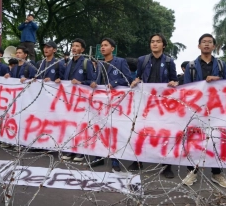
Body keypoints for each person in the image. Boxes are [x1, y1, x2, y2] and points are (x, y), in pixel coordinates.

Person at [183, 33, 226, 188]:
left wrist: (219, 80)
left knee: (216, 140)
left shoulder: (221, 65)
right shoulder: (191, 66)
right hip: (197, 109)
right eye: (203, 42)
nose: (206, 44)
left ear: (214, 46)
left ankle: (217, 173)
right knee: (195, 140)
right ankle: (193, 171)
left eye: (209, 42)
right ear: (199, 46)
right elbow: (186, 88)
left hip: (217, 109)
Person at [130, 33, 178, 179]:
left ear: (163, 45)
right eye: (152, 41)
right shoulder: (142, 60)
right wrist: (135, 81)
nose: (154, 44)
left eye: (158, 42)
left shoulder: (169, 61)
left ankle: (166, 166)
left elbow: (174, 80)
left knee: (164, 133)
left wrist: (173, 83)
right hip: (146, 102)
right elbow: (138, 76)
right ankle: (137, 161)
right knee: (141, 130)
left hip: (164, 105)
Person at [89, 38, 133, 172]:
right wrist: (93, 83)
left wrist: (113, 83)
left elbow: (128, 78)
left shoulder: (120, 62)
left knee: (114, 130)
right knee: (99, 128)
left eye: (106, 45)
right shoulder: (100, 64)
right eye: (101, 45)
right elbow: (96, 79)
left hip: (116, 103)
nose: (102, 48)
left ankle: (115, 160)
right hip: (100, 103)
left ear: (112, 48)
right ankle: (99, 156)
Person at [62, 38, 96, 161]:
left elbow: (92, 81)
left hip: (82, 100)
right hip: (69, 100)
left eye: (77, 46)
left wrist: (81, 82)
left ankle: (81, 151)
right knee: (70, 125)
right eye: (73, 46)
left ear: (82, 49)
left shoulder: (86, 63)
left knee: (81, 125)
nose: (74, 48)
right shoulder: (69, 63)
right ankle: (70, 149)